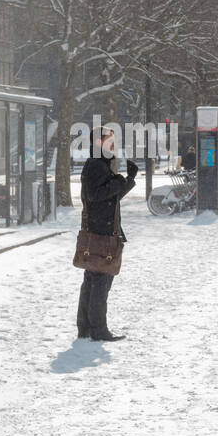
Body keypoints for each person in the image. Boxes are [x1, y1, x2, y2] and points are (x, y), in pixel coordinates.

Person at [77, 127, 137, 342]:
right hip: (102, 231)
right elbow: (96, 194)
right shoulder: (96, 164)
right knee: (100, 282)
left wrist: (128, 179)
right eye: (109, 140)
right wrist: (120, 180)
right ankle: (98, 330)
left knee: (92, 280)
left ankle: (85, 327)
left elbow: (111, 196)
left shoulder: (99, 163)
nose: (114, 144)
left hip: (100, 228)